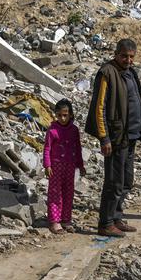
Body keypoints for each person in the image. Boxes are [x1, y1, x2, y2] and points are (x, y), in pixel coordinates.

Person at [85, 38, 141, 237]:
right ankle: (106, 222)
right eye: (124, 56)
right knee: (113, 181)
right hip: (116, 138)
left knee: (127, 180)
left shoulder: (131, 73)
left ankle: (117, 216)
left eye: (131, 57)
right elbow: (99, 107)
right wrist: (104, 137)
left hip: (131, 136)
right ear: (115, 54)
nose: (128, 60)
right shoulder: (107, 73)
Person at [43, 99, 86, 235]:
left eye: (65, 115)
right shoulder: (52, 130)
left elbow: (78, 148)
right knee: (55, 192)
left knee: (68, 192)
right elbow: (47, 149)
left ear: (71, 115)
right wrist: (47, 165)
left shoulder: (74, 130)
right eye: (59, 115)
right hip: (55, 167)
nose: (62, 118)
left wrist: (80, 165)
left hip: (70, 166)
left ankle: (66, 219)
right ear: (56, 114)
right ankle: (55, 221)